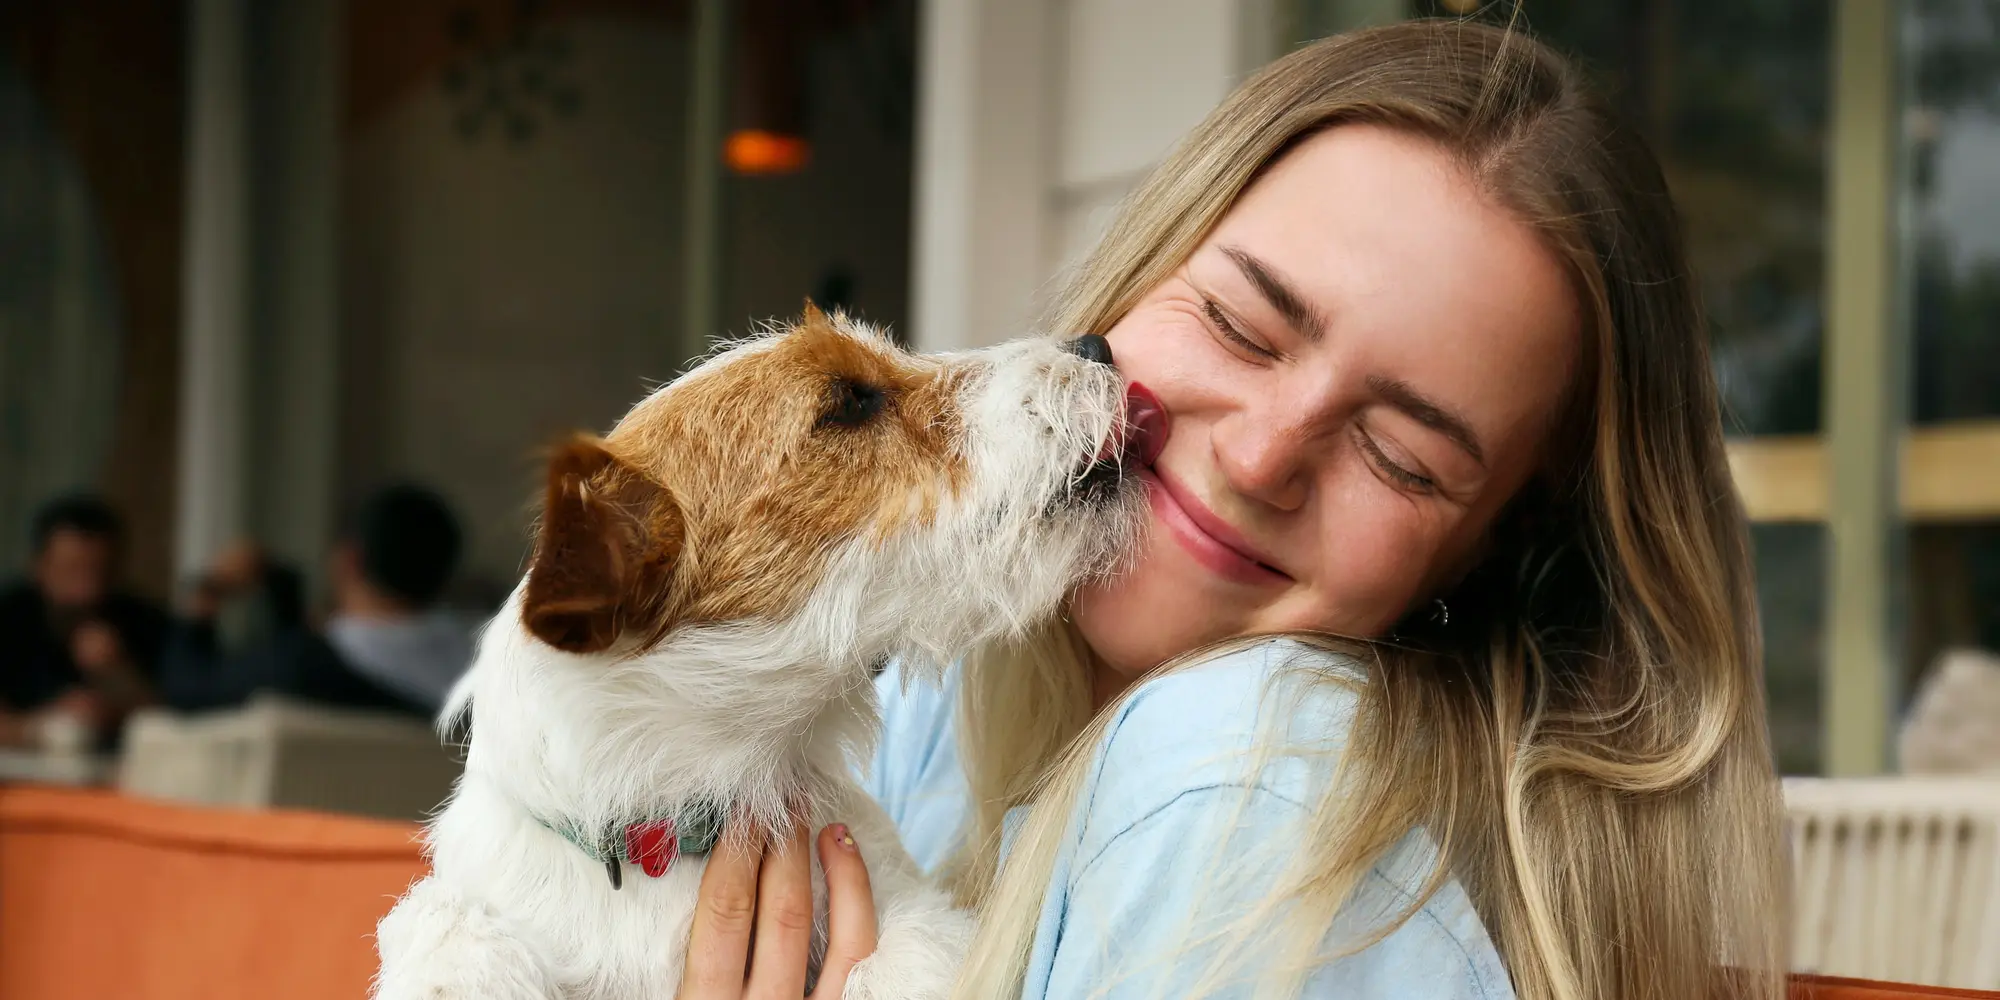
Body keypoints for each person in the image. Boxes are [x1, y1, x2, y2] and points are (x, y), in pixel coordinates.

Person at [670, 20, 1789, 1000]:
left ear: (1490, 556)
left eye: (1400, 458)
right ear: (1139, 271)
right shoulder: (944, 687)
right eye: (1239, 327)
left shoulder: (1242, 773)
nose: (1258, 458)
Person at [160, 484, 475, 717]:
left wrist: (206, 594)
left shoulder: (300, 668)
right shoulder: (480, 669)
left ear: (349, 561)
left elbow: (187, 690)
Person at [0, 495, 168, 749]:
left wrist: (117, 676)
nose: (89, 591)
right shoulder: (8, 617)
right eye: (72, 571)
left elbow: (171, 722)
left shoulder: (144, 620)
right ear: (38, 567)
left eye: (103, 572)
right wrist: (44, 726)